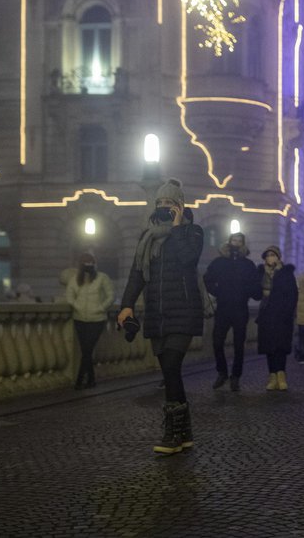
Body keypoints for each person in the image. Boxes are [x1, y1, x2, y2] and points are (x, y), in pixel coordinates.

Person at [118, 178, 204, 455]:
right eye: (160, 203)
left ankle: (172, 434)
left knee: (170, 367)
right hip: (157, 313)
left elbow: (188, 260)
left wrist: (178, 228)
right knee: (170, 372)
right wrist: (126, 305)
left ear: (180, 206)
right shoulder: (147, 239)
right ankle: (185, 432)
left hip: (184, 311)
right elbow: (136, 275)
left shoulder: (193, 233)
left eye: (169, 203)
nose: (164, 208)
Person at [204, 232, 259, 391]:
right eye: (234, 240)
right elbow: (207, 279)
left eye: (239, 241)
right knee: (217, 342)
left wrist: (246, 292)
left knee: (239, 345)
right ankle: (222, 372)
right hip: (223, 308)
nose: (236, 243)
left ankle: (235, 376)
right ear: (229, 242)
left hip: (240, 308)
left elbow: (255, 286)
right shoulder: (219, 262)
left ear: (243, 244)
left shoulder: (247, 265)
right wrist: (218, 291)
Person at [66, 252, 114, 390]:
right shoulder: (75, 279)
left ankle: (80, 380)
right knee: (86, 350)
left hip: (97, 319)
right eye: (85, 263)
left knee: (87, 349)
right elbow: (69, 296)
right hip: (79, 319)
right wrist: (77, 306)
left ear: (94, 264)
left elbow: (110, 296)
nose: (88, 266)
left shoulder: (102, 278)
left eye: (90, 263)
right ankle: (90, 380)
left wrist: (101, 308)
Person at [255, 245, 298, 391]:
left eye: (273, 255)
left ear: (278, 257)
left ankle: (281, 375)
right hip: (266, 314)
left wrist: (288, 312)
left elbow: (292, 294)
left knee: (281, 346)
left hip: (282, 315)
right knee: (269, 347)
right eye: (268, 255)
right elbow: (255, 292)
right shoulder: (261, 273)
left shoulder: (286, 273)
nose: (270, 258)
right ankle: (272, 375)